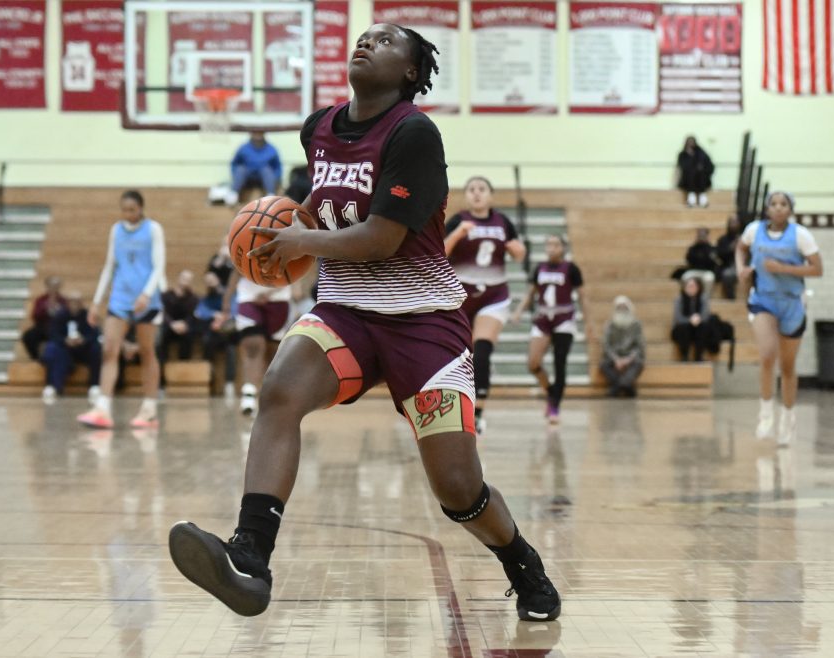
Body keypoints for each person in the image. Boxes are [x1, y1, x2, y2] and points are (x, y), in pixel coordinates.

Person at [167, 23, 561, 623]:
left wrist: (303, 238)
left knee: (458, 490)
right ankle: (250, 558)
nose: (366, 42)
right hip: (347, 312)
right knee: (278, 392)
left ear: (409, 71)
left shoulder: (413, 133)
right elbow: (322, 213)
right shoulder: (318, 128)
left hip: (424, 325)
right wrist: (285, 235)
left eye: (384, 40)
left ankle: (521, 563)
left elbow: (382, 237)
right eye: (363, 36)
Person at [737, 191, 823, 444]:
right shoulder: (754, 230)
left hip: (792, 303)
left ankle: (788, 417)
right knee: (766, 355)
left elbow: (818, 269)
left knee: (787, 367)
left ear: (790, 210)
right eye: (773, 204)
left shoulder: (800, 235)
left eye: (783, 204)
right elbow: (740, 249)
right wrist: (742, 267)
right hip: (763, 300)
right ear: (767, 209)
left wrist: (784, 268)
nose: (777, 208)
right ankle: (765, 414)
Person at [443, 175, 526, 432]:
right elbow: (441, 253)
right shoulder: (458, 220)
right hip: (461, 296)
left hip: (494, 295)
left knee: (483, 349)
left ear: (490, 195)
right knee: (459, 354)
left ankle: (478, 413)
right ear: (466, 196)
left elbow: (520, 254)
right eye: (471, 189)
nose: (477, 193)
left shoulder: (503, 222)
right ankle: (451, 405)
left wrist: (516, 248)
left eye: (482, 189)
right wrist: (458, 233)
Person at [78, 190, 166, 429]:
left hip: (146, 300)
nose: (128, 214)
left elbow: (159, 266)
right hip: (120, 298)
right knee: (109, 349)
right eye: (124, 209)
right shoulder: (116, 230)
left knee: (147, 352)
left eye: (132, 209)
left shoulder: (154, 229)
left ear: (140, 208)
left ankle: (149, 409)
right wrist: (97, 301)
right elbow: (109, 266)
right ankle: (103, 407)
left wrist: (147, 293)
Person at [512, 234, 587, 424]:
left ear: (563, 248)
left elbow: (583, 297)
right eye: (548, 244)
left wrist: (589, 322)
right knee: (533, 363)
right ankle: (551, 392)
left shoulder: (571, 268)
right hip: (543, 318)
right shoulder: (540, 267)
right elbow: (531, 293)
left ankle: (554, 406)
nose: (551, 248)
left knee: (559, 362)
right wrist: (518, 311)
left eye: (555, 244)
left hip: (564, 319)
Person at [222, 273, 293, 415]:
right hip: (249, 298)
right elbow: (236, 268)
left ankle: (270, 397)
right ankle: (249, 395)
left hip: (279, 298)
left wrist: (270, 292)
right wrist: (226, 302)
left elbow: (297, 271)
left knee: (274, 354)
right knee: (253, 346)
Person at [40, 291, 102, 404]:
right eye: (72, 302)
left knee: (96, 349)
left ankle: (94, 385)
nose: (75, 305)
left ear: (81, 303)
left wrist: (83, 340)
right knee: (52, 350)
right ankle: (52, 386)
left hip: (83, 348)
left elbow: (95, 333)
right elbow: (53, 333)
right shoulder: (60, 316)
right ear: (68, 304)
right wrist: (65, 340)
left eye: (77, 302)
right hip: (65, 348)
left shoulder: (87, 315)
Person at [599, 295, 645, 397]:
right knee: (603, 364)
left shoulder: (636, 324)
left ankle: (617, 387)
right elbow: (606, 345)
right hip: (614, 357)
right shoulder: (609, 324)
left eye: (624, 307)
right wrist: (616, 359)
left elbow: (639, 346)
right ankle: (626, 386)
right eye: (619, 307)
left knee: (638, 363)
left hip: (631, 357)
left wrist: (628, 359)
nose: (622, 309)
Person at [226, 130, 282, 206]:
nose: (257, 135)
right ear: (251, 134)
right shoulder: (243, 148)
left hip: (263, 179)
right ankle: (233, 195)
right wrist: (234, 175)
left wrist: (276, 179)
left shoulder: (271, 149)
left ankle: (270, 196)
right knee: (240, 169)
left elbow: (277, 166)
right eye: (255, 133)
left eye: (260, 133)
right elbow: (235, 163)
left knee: (267, 170)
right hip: (247, 177)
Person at [160, 270, 201, 363]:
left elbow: (193, 314)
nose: (185, 281)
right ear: (178, 278)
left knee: (189, 335)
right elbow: (162, 312)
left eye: (188, 279)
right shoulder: (166, 295)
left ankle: (183, 366)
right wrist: (171, 324)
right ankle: (162, 368)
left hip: (184, 327)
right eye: (184, 278)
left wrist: (185, 323)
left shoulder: (193, 298)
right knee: (161, 336)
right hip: (168, 325)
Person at [671, 277, 714, 362]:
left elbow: (706, 315)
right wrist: (690, 320)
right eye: (689, 286)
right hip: (682, 329)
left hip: (698, 328)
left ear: (699, 287)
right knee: (683, 328)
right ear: (684, 287)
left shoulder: (703, 298)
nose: (691, 288)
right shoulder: (679, 299)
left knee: (704, 327)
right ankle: (684, 356)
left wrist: (699, 319)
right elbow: (678, 318)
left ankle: (699, 356)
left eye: (694, 286)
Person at [22, 276, 64, 361]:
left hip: (58, 329)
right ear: (47, 287)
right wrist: (45, 308)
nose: (53, 289)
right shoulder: (40, 300)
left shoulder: (63, 301)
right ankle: (36, 358)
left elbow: (66, 317)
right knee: (28, 336)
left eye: (56, 286)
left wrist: (58, 310)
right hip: (43, 328)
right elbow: (35, 316)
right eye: (51, 286)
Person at [676, 136, 714, 208]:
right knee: (691, 174)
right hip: (689, 178)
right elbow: (683, 166)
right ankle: (691, 199)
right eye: (689, 142)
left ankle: (703, 199)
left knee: (700, 174)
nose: (691, 144)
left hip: (701, 177)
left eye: (692, 142)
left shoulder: (701, 153)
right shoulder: (683, 154)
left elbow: (708, 164)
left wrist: (700, 167)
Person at [681, 227, 718, 296]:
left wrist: (706, 245)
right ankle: (687, 298)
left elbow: (712, 262)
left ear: (707, 236)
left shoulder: (711, 248)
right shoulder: (693, 248)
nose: (701, 237)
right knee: (685, 277)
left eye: (703, 235)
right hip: (694, 270)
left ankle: (705, 298)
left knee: (709, 279)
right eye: (700, 235)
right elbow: (689, 259)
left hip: (706, 271)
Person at [715, 215, 742, 299]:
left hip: (745, 264)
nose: (733, 224)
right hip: (729, 265)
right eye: (731, 222)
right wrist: (731, 248)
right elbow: (720, 256)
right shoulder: (722, 239)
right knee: (727, 275)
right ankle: (731, 299)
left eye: (736, 222)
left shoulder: (745, 237)